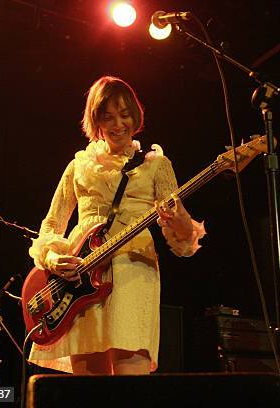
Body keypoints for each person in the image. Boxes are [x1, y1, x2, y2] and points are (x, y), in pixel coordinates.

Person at [27, 76, 205, 375]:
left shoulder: (157, 166)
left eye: (124, 115)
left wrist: (179, 220)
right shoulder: (78, 166)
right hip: (80, 277)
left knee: (129, 383)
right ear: (95, 120)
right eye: (107, 116)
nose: (117, 124)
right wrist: (55, 259)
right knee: (88, 390)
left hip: (133, 270)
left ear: (136, 117)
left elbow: (184, 241)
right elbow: (50, 225)